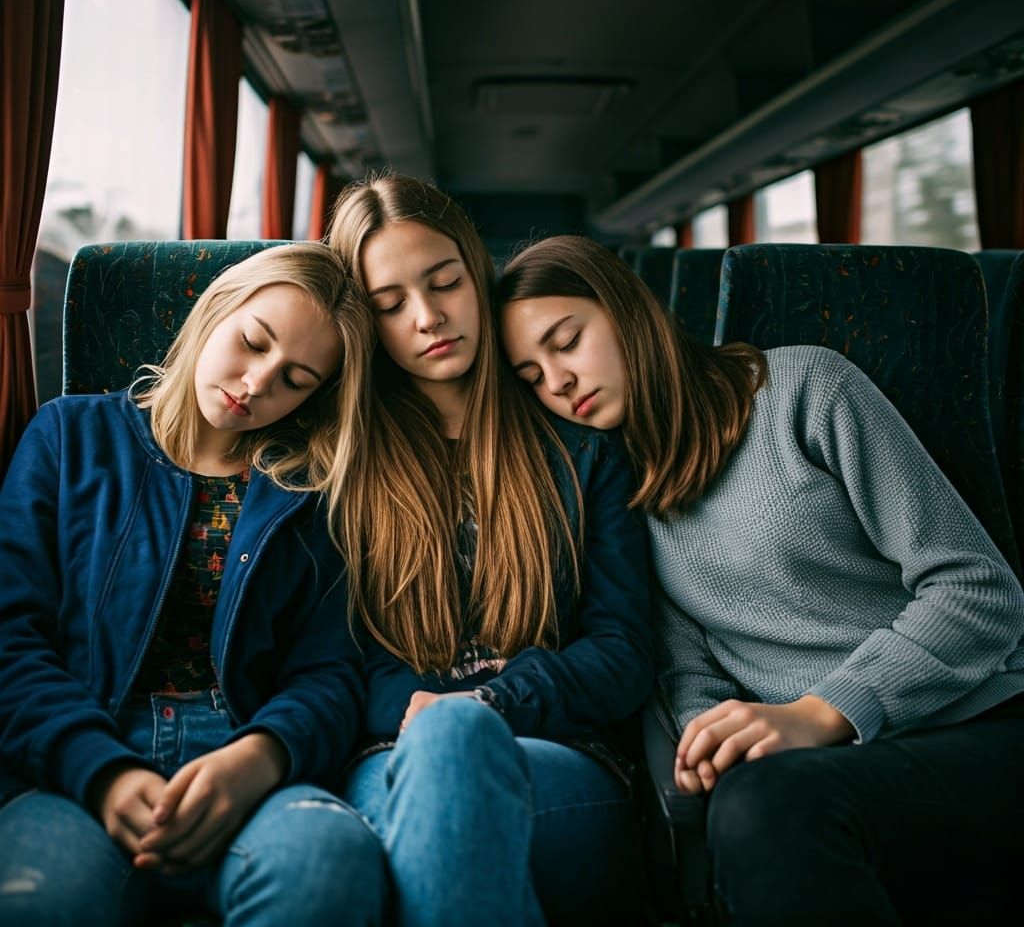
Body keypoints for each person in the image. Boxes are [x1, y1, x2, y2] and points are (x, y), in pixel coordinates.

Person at [497, 234, 1024, 926]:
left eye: (566, 341)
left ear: (629, 313)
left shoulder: (805, 389)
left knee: (769, 804)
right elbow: (689, 671)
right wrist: (711, 744)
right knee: (750, 801)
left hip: (973, 719)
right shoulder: (622, 496)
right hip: (818, 767)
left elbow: (979, 592)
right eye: (532, 377)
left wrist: (820, 713)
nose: (558, 383)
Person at [0, 244, 386, 927]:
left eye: (295, 378)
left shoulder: (313, 491)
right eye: (253, 342)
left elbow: (329, 673)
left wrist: (261, 758)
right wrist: (100, 768)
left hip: (245, 754)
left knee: (326, 869)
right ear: (215, 309)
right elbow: (11, 640)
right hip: (82, 743)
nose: (259, 382)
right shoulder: (67, 437)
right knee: (45, 896)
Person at [326, 175, 652, 927]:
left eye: (446, 283)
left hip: (561, 757)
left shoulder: (581, 447)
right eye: (390, 304)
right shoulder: (343, 466)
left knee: (455, 740)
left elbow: (623, 649)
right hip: (386, 760)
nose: (429, 317)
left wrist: (487, 703)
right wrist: (422, 715)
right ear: (362, 323)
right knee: (441, 759)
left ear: (477, 274)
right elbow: (337, 657)